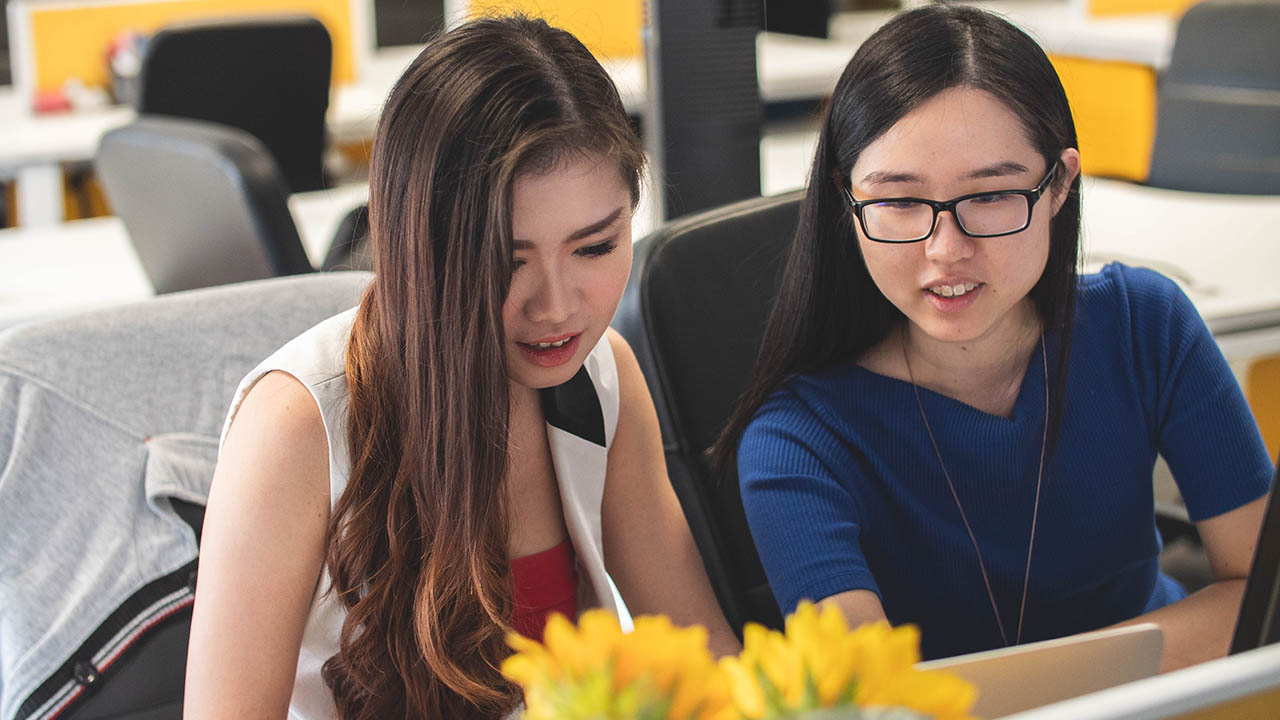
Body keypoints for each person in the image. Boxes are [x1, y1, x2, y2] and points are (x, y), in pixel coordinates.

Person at [184, 16, 737, 719]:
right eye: (505, 261)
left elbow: (703, 661)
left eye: (595, 248)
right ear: (422, 247)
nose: (557, 307)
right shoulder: (296, 426)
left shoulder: (603, 380)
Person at [717, 4, 1272, 672]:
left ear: (1059, 183)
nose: (946, 250)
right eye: (899, 201)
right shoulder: (797, 442)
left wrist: (1045, 689)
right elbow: (876, 699)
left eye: (990, 196)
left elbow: (1260, 593)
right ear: (847, 202)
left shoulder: (1145, 326)